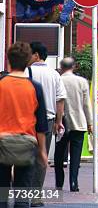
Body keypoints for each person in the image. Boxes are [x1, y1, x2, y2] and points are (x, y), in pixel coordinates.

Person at [0, 42, 48, 208]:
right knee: (22, 193)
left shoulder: (1, 84)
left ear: (9, 60)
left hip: (2, 143)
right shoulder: (35, 87)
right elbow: (41, 124)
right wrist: (42, 152)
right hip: (27, 144)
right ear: (29, 61)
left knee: (1, 193)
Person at [28, 42, 66, 204]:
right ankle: (36, 196)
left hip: (27, 121)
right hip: (48, 121)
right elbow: (60, 100)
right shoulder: (54, 74)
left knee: (24, 156)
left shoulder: (25, 71)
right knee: (41, 158)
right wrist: (59, 121)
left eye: (30, 53)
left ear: (36, 55)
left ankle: (22, 193)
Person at [54, 57, 92, 192]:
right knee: (75, 156)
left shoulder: (58, 80)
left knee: (59, 154)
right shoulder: (82, 81)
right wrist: (90, 123)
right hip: (78, 122)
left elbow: (56, 101)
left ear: (61, 67)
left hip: (61, 122)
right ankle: (74, 183)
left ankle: (59, 183)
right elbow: (86, 104)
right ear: (74, 66)